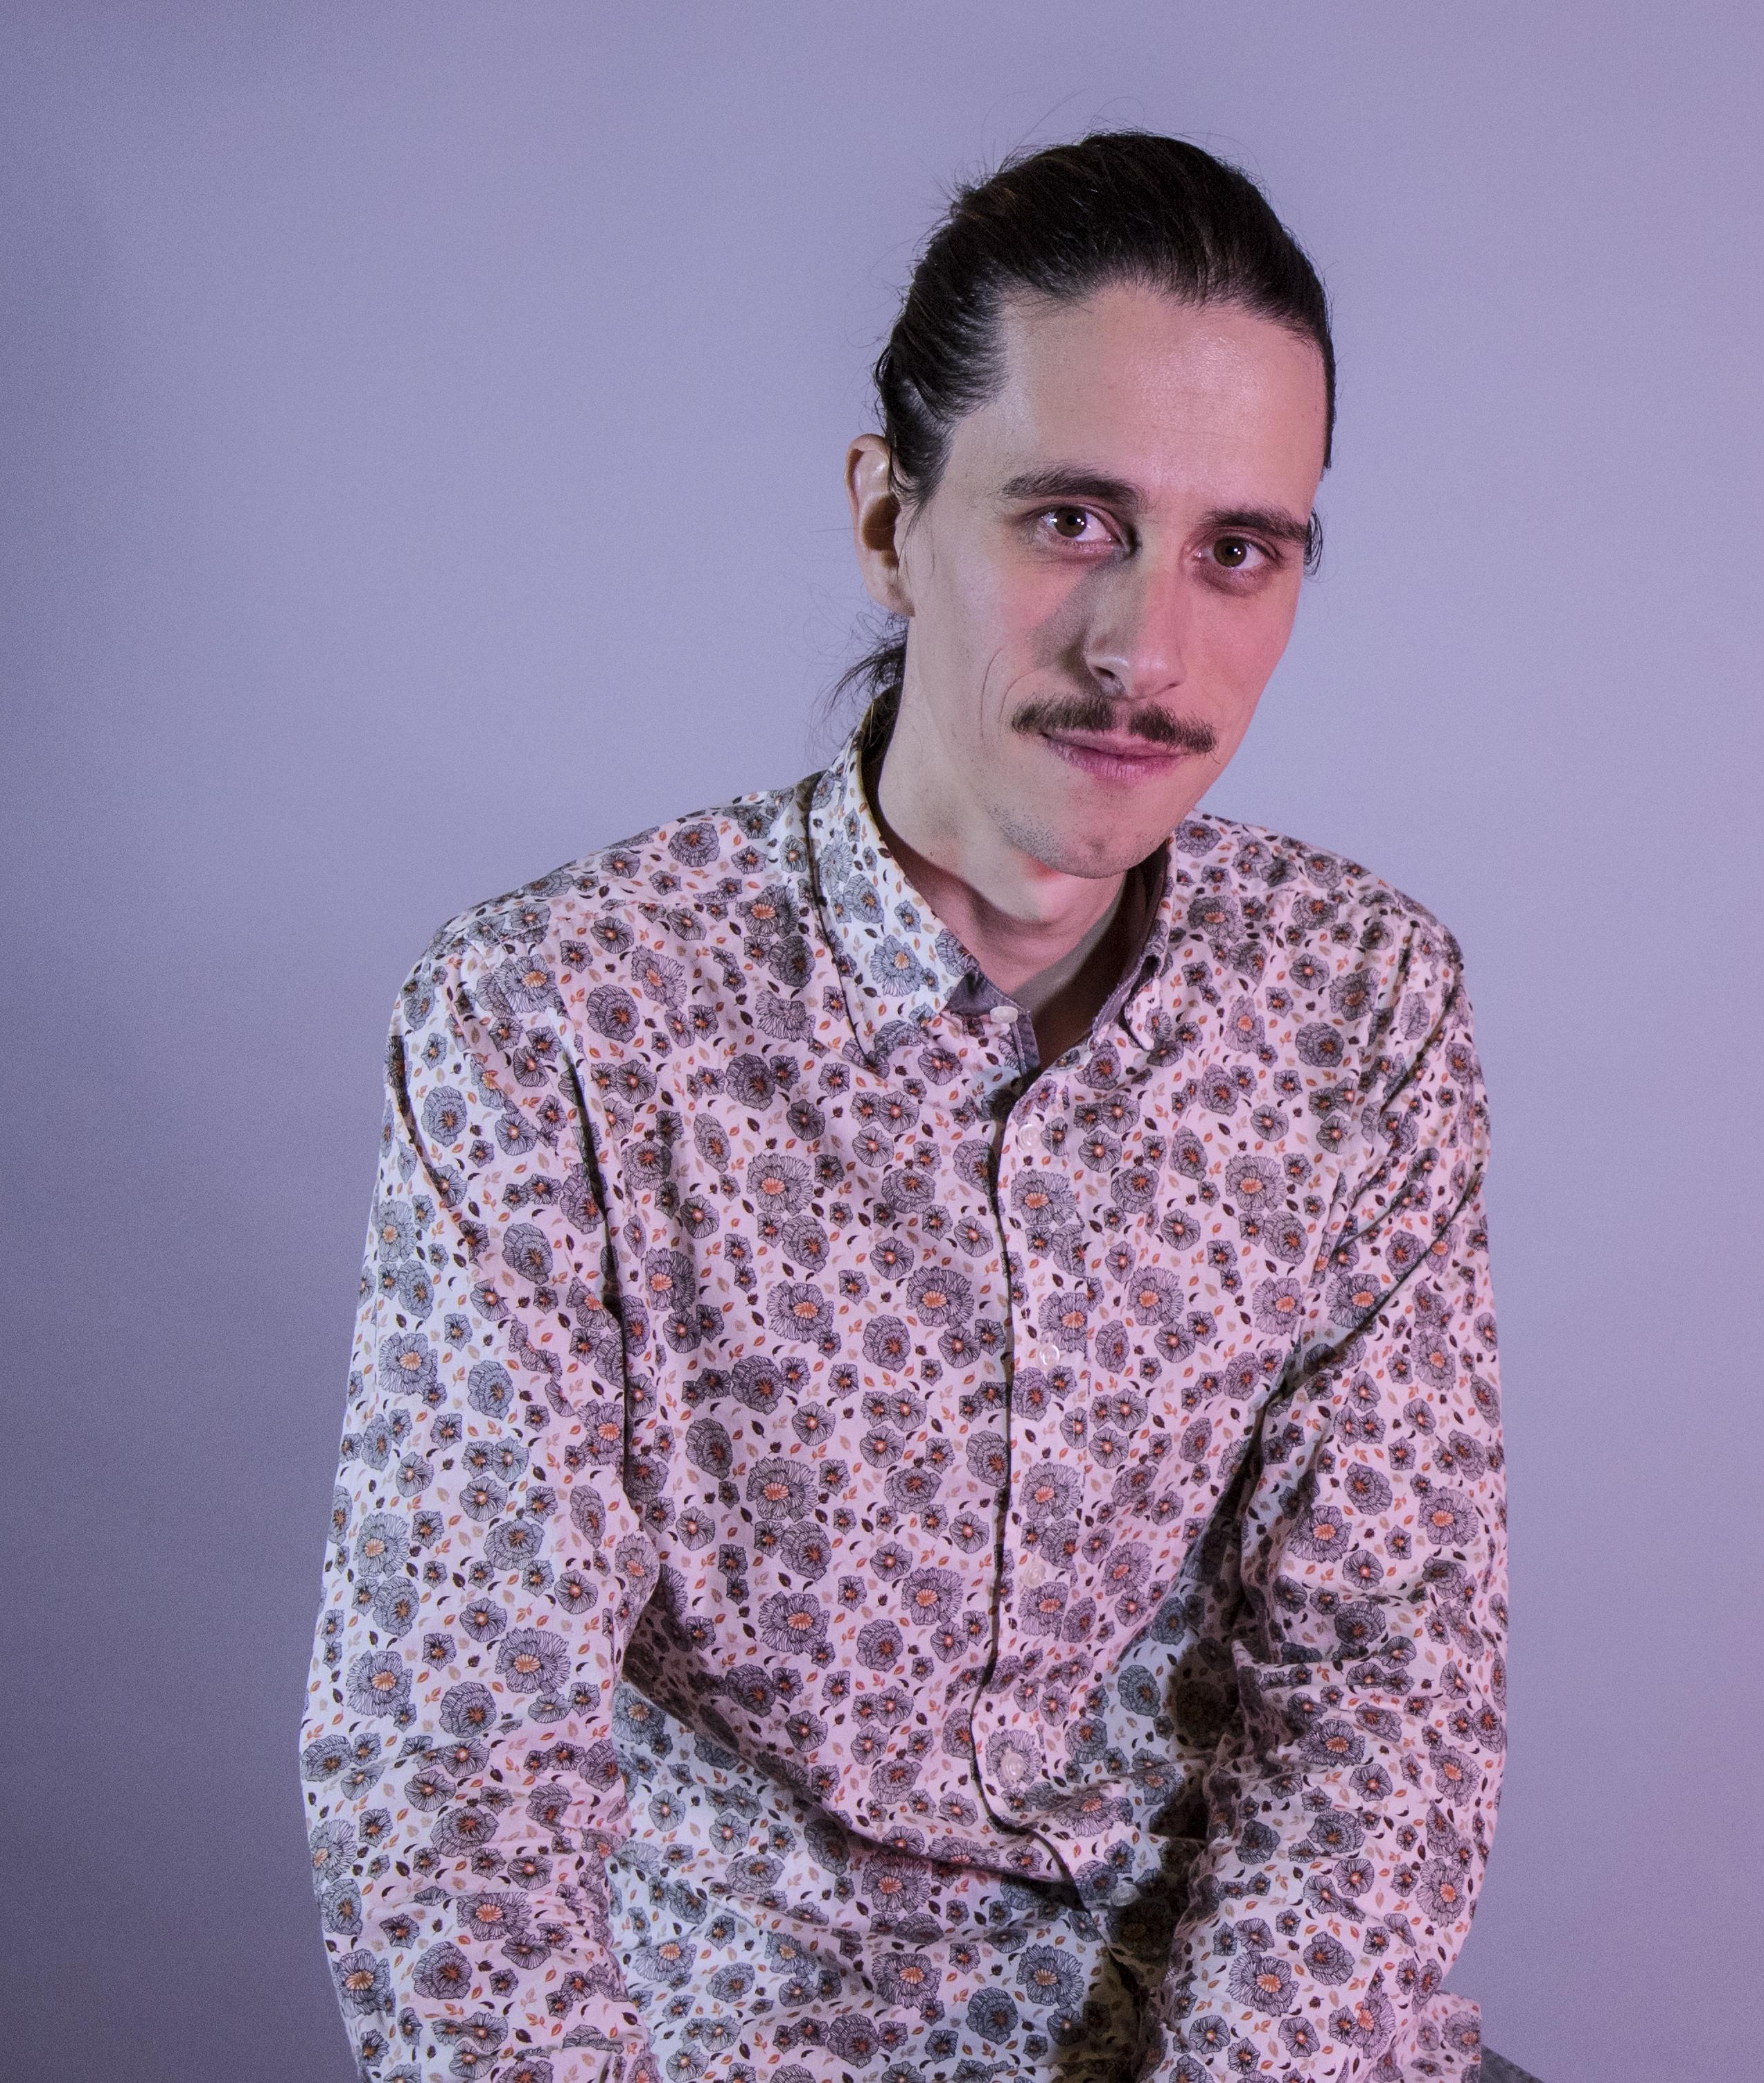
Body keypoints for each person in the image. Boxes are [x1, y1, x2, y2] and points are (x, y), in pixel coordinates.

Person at [299, 132, 1529, 2083]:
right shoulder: (560, 1021)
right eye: (1072, 520)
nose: (1148, 652)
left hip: (1230, 2035)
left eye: (1239, 551)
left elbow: (1383, 1679)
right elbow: (454, 1766)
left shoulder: (1359, 1004)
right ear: (890, 519)